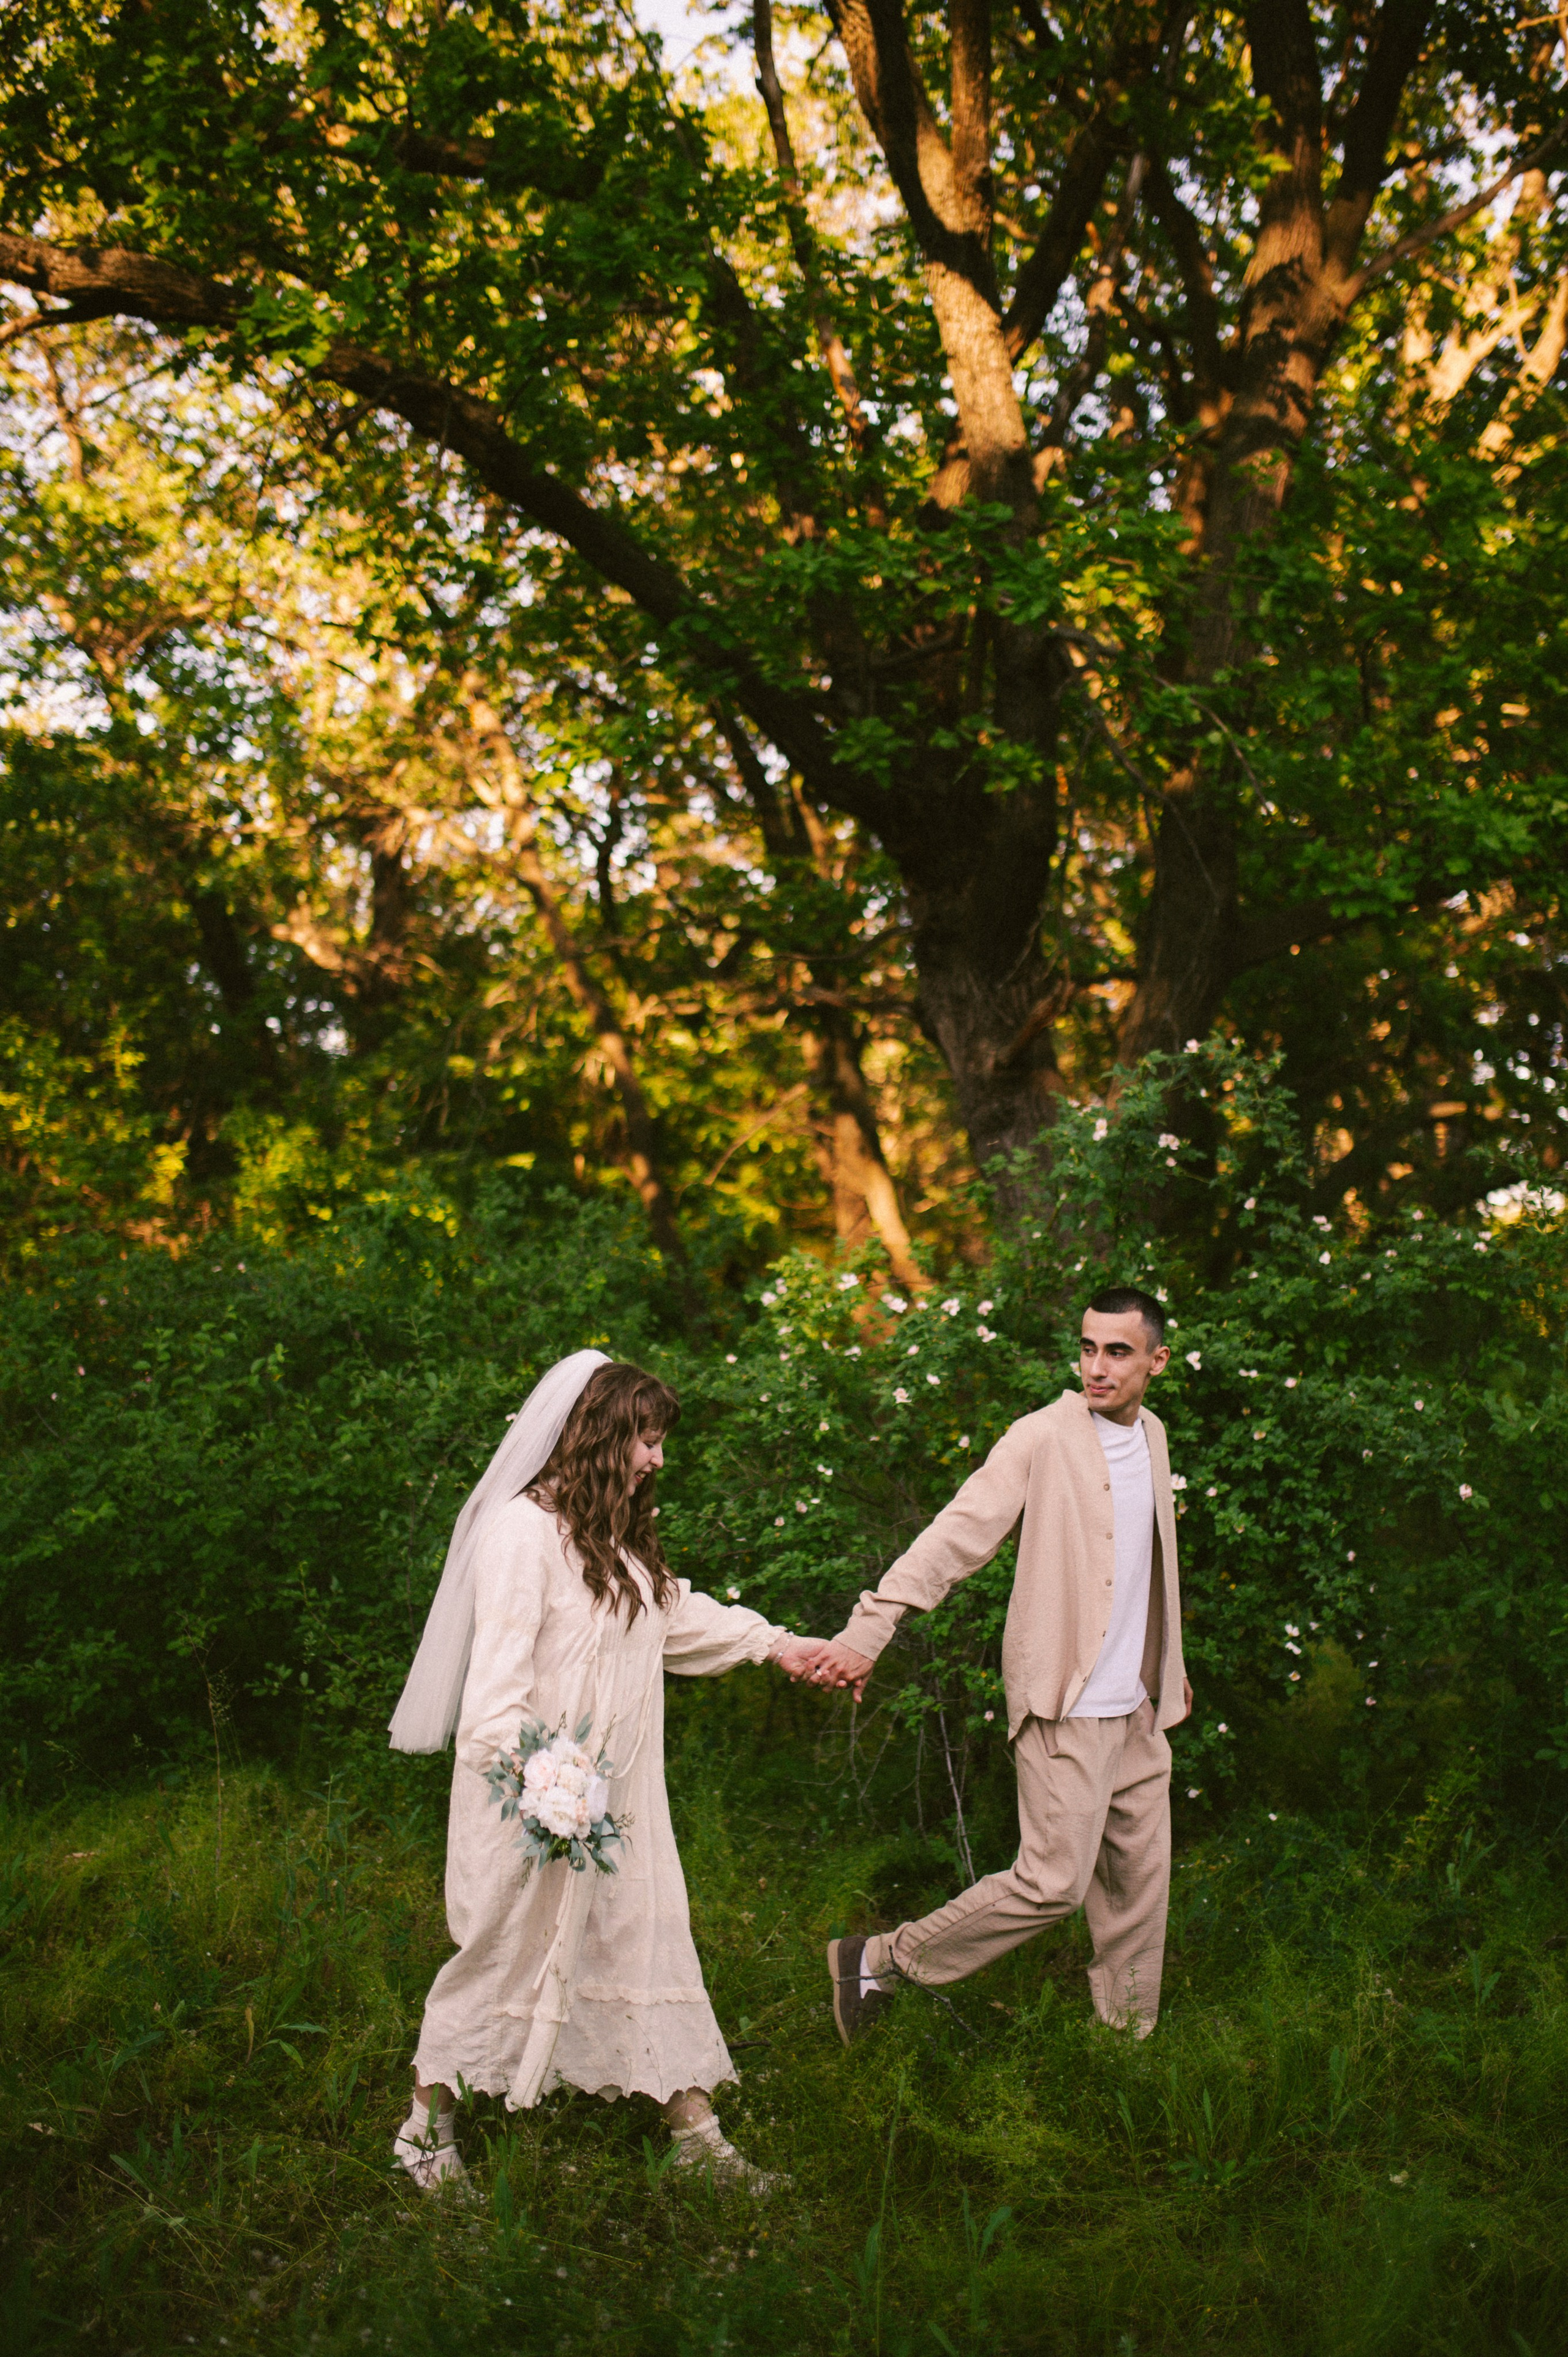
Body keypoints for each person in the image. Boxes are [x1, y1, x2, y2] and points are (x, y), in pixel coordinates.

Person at [386, 1352, 827, 2192]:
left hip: (621, 1801)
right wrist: (549, 1789)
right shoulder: (521, 1536)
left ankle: (696, 2139)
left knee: (643, 1944)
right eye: (647, 1440)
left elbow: (676, 1619)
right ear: (600, 1436)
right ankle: (424, 2132)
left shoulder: (614, 1541)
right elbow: (495, 1695)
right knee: (500, 1958)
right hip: (533, 1799)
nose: (658, 1460)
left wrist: (780, 1645)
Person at [804, 1287, 1192, 2043]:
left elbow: (1152, 1560)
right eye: (1087, 1347)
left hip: (1136, 1709)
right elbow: (955, 1536)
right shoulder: (1041, 1437)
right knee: (1053, 1883)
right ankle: (880, 1959)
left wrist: (1166, 1659)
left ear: (1156, 1360)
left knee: (1139, 1894)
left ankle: (1126, 2048)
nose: (1098, 1367)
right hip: (1065, 1702)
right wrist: (868, 1628)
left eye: (1117, 1351)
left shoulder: (1153, 1435)